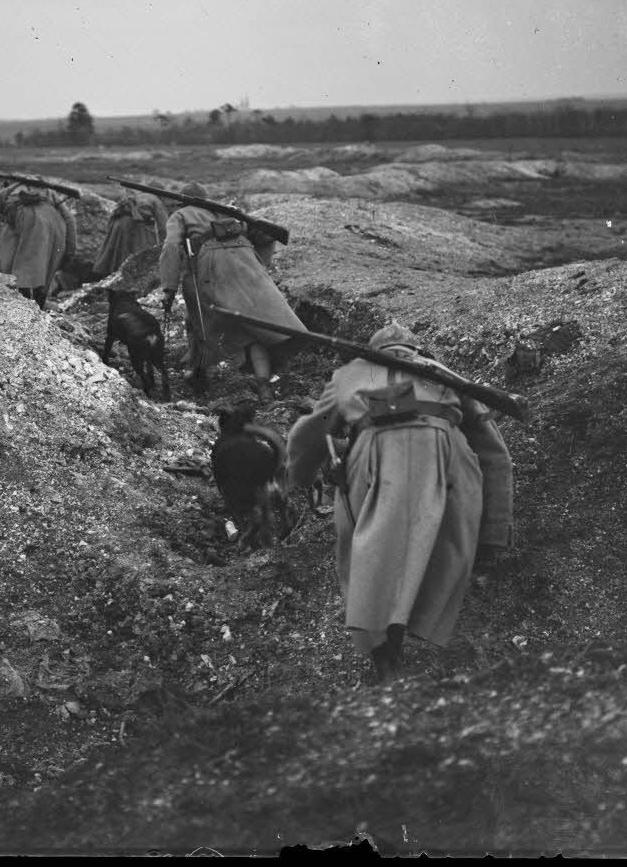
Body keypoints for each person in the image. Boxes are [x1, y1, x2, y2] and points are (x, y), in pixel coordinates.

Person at [285, 322, 514, 684]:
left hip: (377, 455)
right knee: (446, 541)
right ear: (417, 350)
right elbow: (492, 448)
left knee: (362, 544)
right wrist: (494, 529)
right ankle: (430, 632)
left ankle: (383, 649)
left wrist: (296, 477)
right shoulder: (442, 373)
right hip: (444, 452)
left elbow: (311, 433)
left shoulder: (350, 374)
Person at [157, 182, 306, 402]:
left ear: (183, 201)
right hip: (245, 260)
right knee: (253, 324)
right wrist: (260, 267)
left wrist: (168, 288)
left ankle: (199, 377)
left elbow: (170, 247)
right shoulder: (226, 211)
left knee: (203, 322)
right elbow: (266, 235)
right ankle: (264, 384)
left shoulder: (180, 215)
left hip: (211, 266)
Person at [0, 182, 78, 310]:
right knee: (43, 270)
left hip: (25, 222)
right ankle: (39, 306)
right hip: (53, 226)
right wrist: (70, 251)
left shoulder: (6, 193)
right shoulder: (49, 192)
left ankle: (21, 304)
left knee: (15, 272)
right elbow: (69, 219)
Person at [92, 191, 161, 278]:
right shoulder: (126, 219)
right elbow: (138, 219)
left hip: (125, 227)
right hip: (128, 230)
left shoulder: (117, 217)